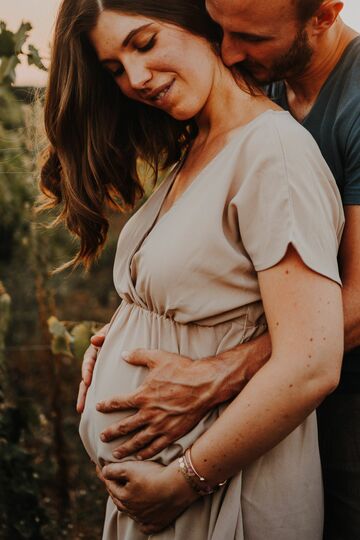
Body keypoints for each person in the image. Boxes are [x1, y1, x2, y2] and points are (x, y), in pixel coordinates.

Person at [43, 0, 344, 538]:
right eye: (114, 68)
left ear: (195, 21)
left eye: (145, 42)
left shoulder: (272, 152)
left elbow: (311, 364)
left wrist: (185, 479)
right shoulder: (202, 143)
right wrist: (121, 337)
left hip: (224, 492)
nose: (135, 78)